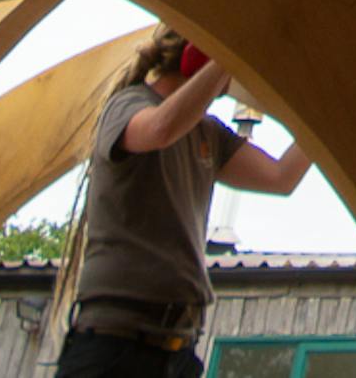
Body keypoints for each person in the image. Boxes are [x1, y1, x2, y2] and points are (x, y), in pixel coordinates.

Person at [57, 26, 318, 378]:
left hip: (176, 348)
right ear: (195, 56)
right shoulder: (128, 106)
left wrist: (327, 119)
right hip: (115, 348)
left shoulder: (206, 131)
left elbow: (281, 177)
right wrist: (227, 56)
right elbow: (162, 129)